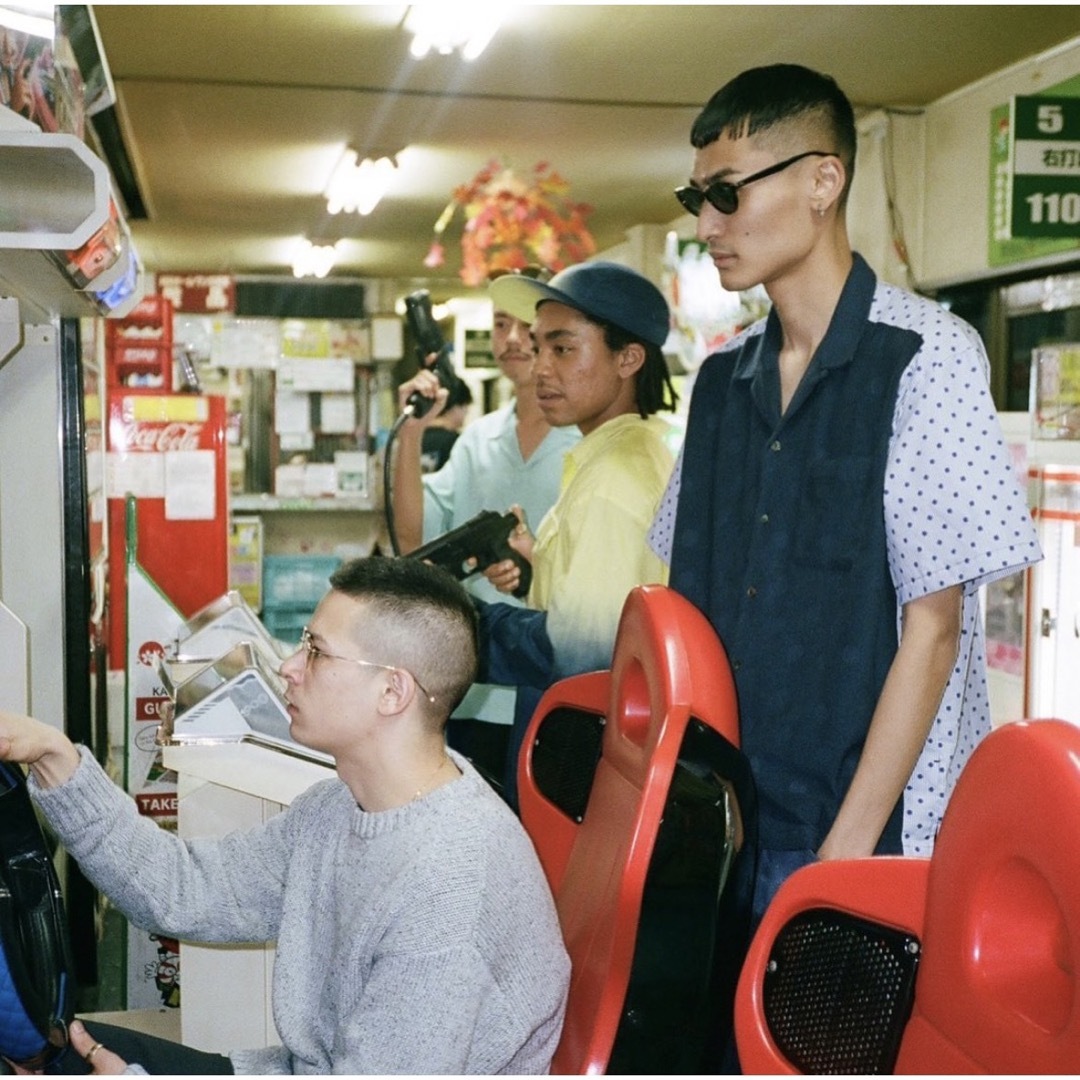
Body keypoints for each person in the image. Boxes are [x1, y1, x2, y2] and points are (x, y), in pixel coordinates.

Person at [649, 63, 1042, 923]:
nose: (709, 224)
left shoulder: (925, 357)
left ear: (824, 180)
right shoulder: (719, 382)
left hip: (856, 826)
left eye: (727, 193)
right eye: (697, 200)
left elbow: (932, 631)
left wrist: (843, 855)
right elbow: (686, 603)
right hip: (720, 816)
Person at [0, 557, 570, 1075]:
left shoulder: (449, 894)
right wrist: (57, 759)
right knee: (45, 1051)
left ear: (393, 691)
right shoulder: (339, 805)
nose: (290, 667)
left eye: (316, 652)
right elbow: (185, 888)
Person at [478, 260, 680, 806]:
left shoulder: (614, 478)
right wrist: (535, 577)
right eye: (539, 346)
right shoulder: (622, 451)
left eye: (562, 349)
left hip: (577, 761)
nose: (540, 366)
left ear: (628, 359)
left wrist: (461, 619)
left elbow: (578, 656)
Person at [393, 269, 580, 778]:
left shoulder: (587, 443)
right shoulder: (478, 440)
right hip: (472, 689)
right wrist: (412, 432)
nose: (514, 340)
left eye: (528, 327)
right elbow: (412, 538)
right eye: (501, 325)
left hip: (553, 688)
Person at [420, 376, 473, 474]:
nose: (467, 412)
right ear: (457, 406)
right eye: (466, 406)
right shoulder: (457, 442)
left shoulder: (412, 438)